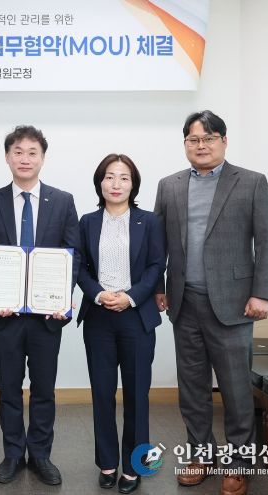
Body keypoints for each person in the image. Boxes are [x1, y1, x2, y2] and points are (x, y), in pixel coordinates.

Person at [154, 110, 268, 495]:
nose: (201, 146)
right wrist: (159, 286)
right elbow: (158, 244)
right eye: (193, 139)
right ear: (185, 144)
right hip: (184, 303)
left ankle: (239, 462)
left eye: (209, 138)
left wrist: (262, 292)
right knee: (192, 387)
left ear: (224, 141)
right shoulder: (169, 186)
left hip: (234, 304)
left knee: (236, 389)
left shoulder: (251, 182)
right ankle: (201, 454)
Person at [0, 125, 80, 486]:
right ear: (7, 157)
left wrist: (63, 296)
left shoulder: (62, 201)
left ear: (42, 158)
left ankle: (40, 455)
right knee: (9, 388)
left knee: (44, 389)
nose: (25, 158)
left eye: (32, 152)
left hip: (47, 315)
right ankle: (12, 454)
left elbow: (73, 254)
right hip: (7, 316)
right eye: (17, 152)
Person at [76, 154, 166, 493]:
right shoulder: (87, 222)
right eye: (109, 177)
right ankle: (107, 463)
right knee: (102, 393)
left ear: (133, 184)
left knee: (136, 396)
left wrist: (130, 297)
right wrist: (99, 294)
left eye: (124, 177)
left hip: (136, 317)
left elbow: (156, 266)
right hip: (99, 317)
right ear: (100, 183)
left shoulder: (149, 221)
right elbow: (79, 266)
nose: (116, 184)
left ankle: (134, 466)